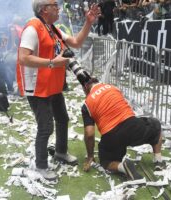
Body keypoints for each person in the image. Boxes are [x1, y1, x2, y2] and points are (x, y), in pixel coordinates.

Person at [17, 0, 100, 181]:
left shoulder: (52, 28)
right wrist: (53, 63)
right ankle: (41, 166)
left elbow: (76, 43)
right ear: (44, 9)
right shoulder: (32, 28)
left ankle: (61, 152)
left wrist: (88, 22)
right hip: (38, 87)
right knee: (46, 127)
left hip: (53, 86)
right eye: (55, 5)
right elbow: (23, 58)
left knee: (62, 119)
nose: (58, 8)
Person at [81, 77, 164, 180]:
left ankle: (123, 167)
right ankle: (158, 160)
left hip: (111, 136)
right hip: (132, 126)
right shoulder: (113, 88)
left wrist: (90, 156)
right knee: (155, 125)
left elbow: (89, 134)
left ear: (85, 89)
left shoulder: (86, 104)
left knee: (106, 162)